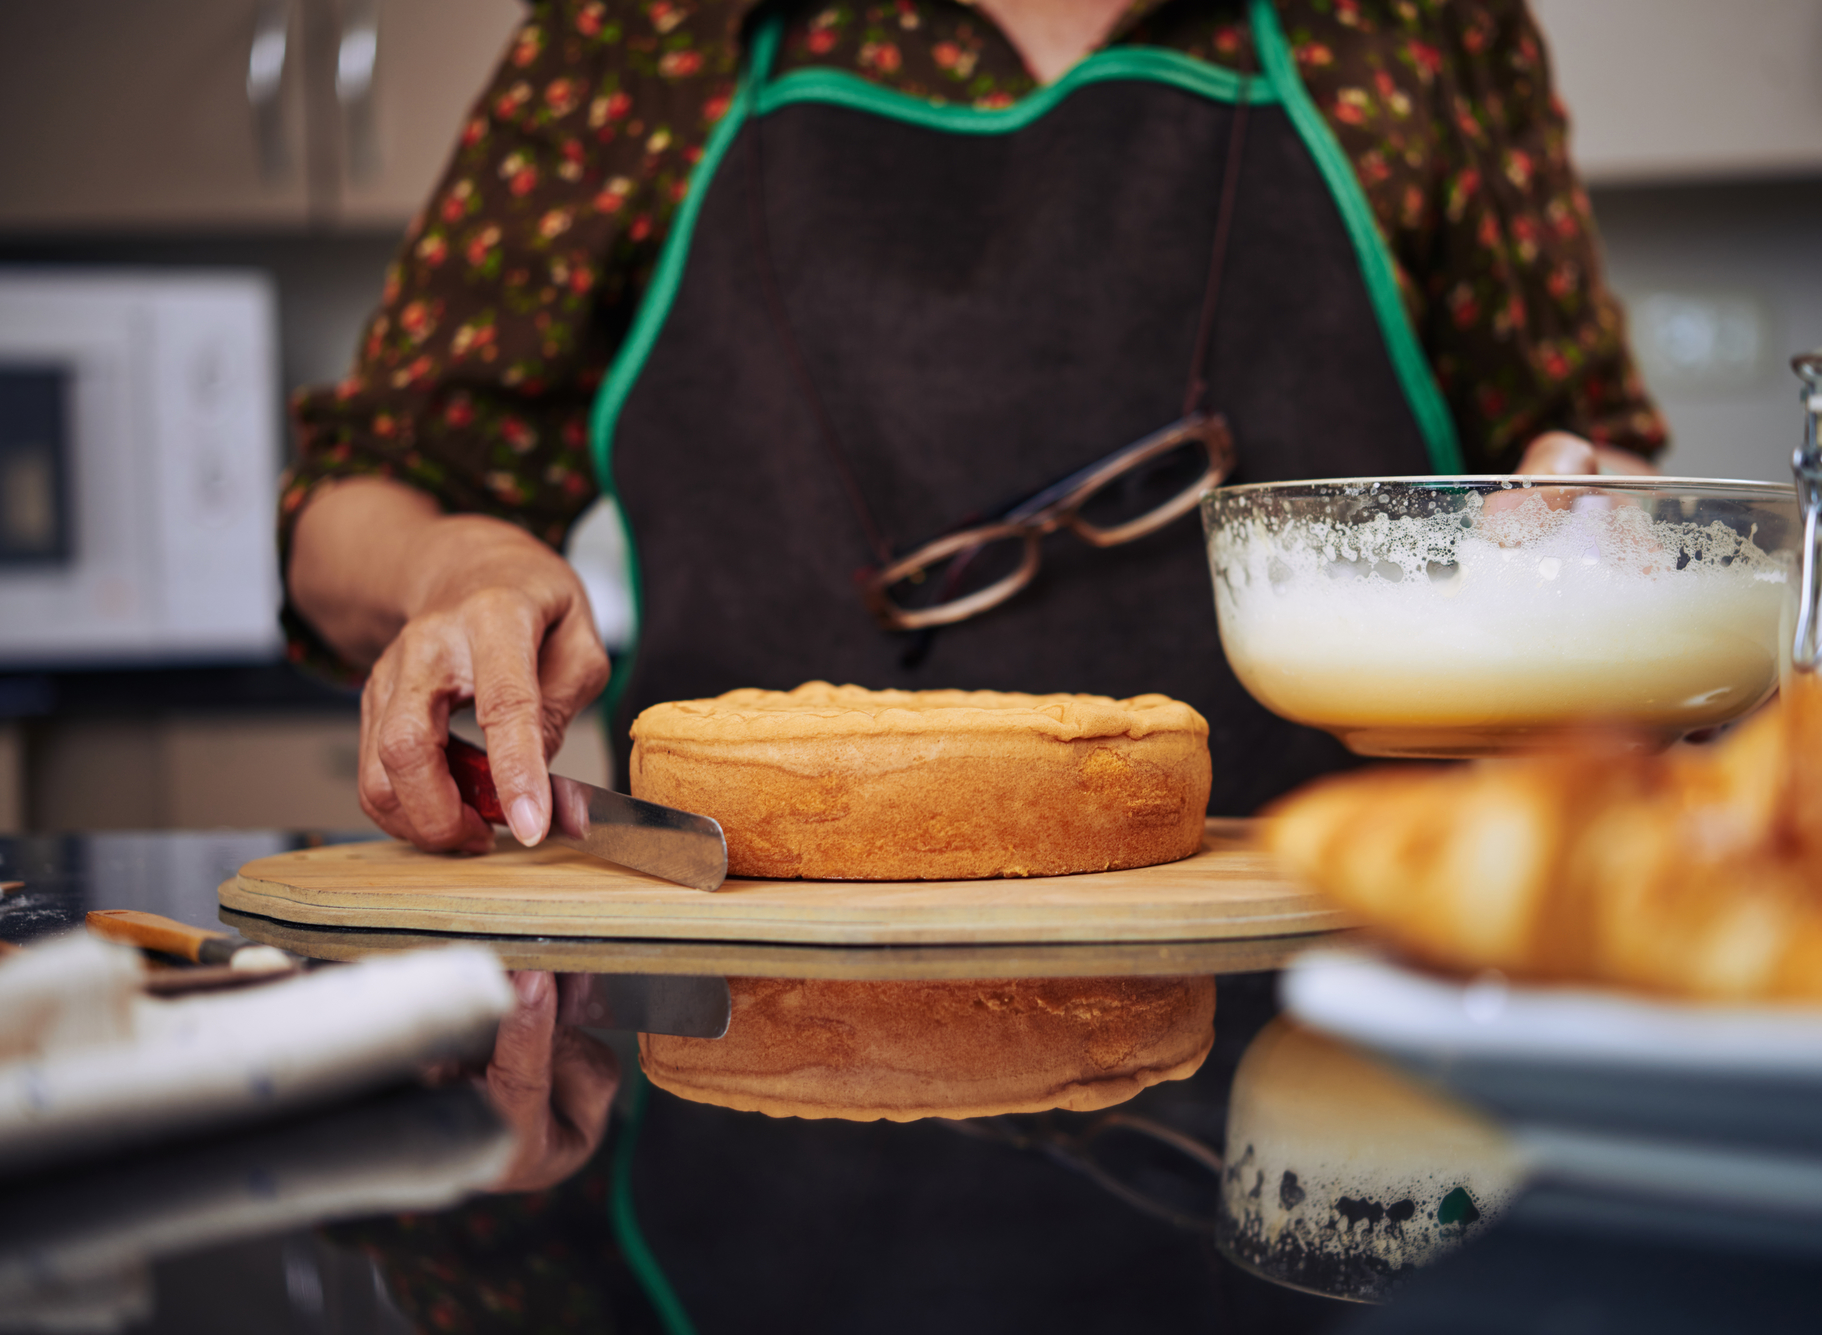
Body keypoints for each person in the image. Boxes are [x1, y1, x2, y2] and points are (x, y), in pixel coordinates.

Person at [283, 0, 1663, 866]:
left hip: (1327, 968)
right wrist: (451, 571)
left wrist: (1590, 526)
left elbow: (1595, 464)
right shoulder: (645, 34)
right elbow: (357, 500)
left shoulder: (1417, 26)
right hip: (758, 1036)